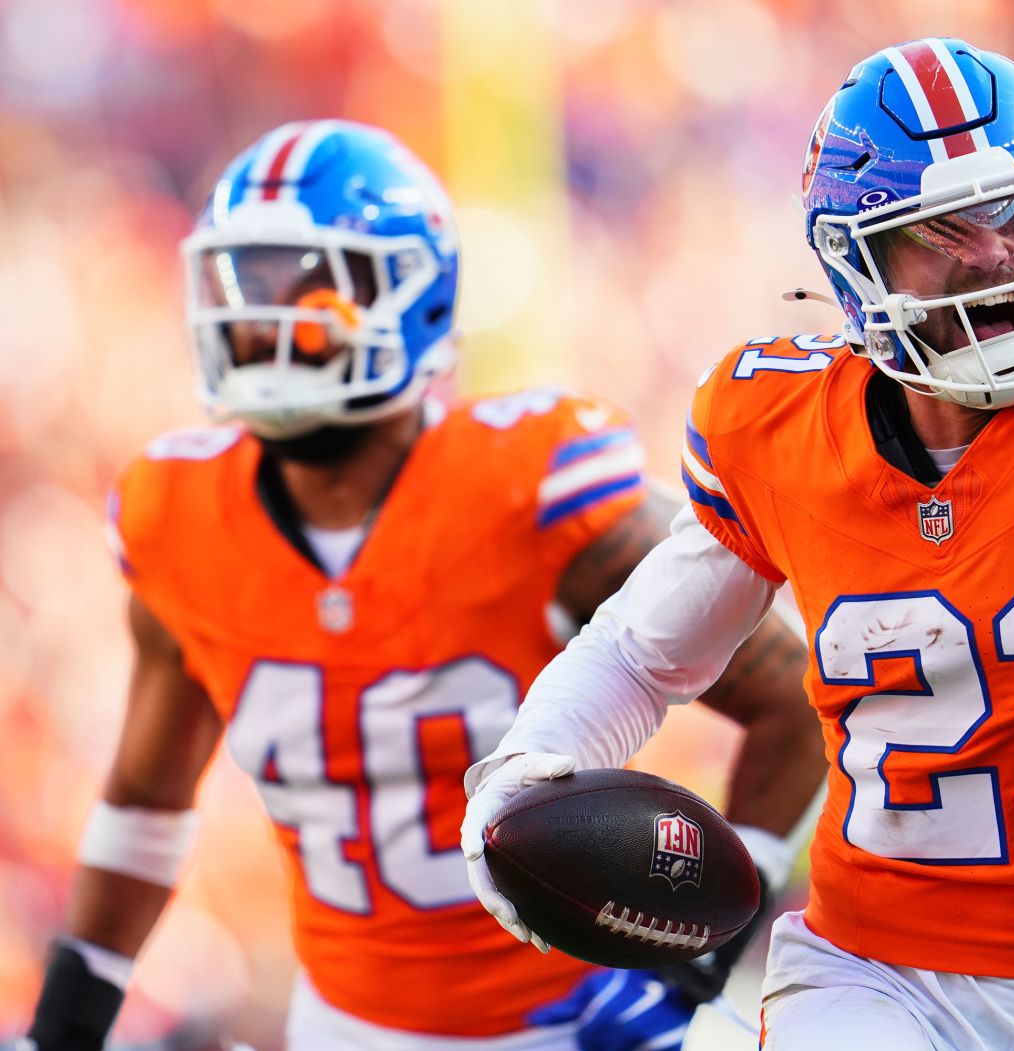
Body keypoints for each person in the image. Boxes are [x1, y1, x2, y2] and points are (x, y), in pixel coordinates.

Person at [461, 38, 1014, 1051]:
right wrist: (528, 763)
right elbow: (642, 650)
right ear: (858, 266)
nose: (993, 254)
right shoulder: (783, 430)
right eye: (941, 231)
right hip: (871, 973)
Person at [21, 120, 825, 1051]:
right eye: (241, 284)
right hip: (343, 1028)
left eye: (311, 286)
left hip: (570, 1026)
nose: (263, 320)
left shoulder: (528, 488)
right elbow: (143, 804)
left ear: (414, 294)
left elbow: (792, 699)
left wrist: (694, 952)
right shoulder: (176, 512)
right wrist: (65, 1026)